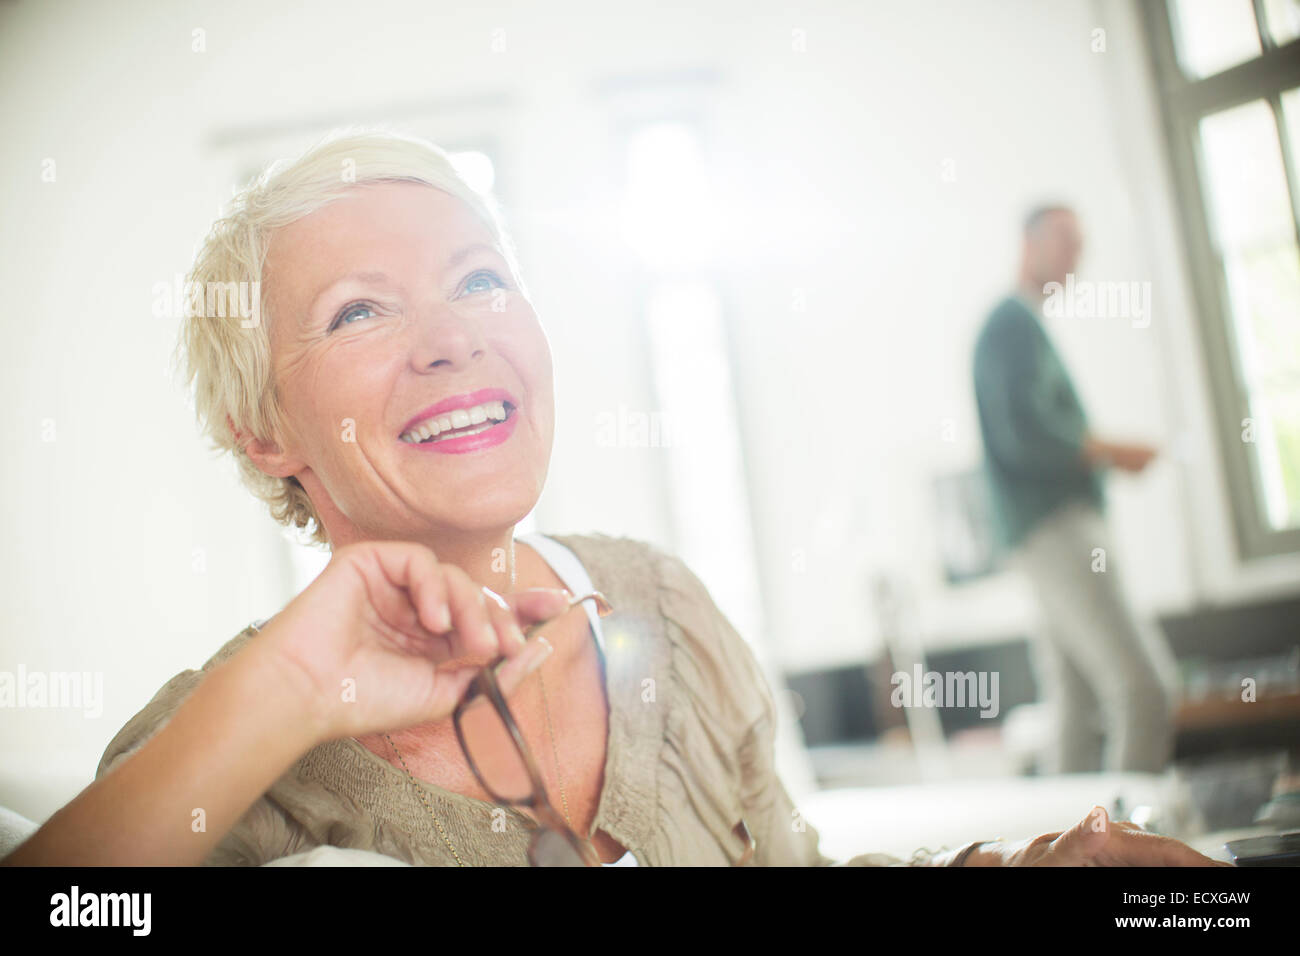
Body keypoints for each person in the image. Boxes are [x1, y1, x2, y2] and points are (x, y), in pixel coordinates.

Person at [4, 139, 1217, 867]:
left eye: (481, 279)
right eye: (360, 311)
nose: (451, 339)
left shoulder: (661, 605)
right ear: (263, 430)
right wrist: (285, 688)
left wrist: (996, 865)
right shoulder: (216, 743)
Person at [973, 205, 1176, 775]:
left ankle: (1068, 855)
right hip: (1056, 527)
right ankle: (1125, 849)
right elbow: (1026, 435)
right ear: (1027, 241)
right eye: (1065, 240)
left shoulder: (1021, 324)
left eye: (1081, 244)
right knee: (1144, 689)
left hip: (1042, 534)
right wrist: (1111, 451)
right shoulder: (1011, 324)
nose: (1076, 256)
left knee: (1076, 706)